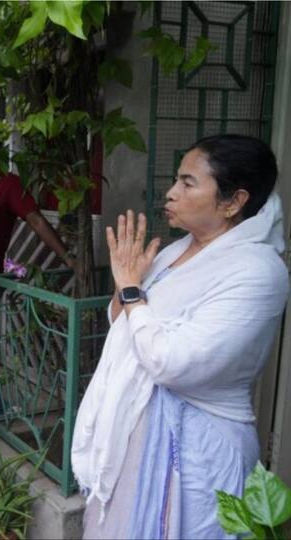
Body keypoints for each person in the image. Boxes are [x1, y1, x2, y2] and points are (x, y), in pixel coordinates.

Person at [73, 134, 290, 539]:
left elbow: (172, 362)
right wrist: (128, 283)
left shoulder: (257, 271)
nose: (171, 193)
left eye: (188, 183)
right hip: (134, 439)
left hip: (197, 451)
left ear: (233, 202)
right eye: (176, 180)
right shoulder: (176, 251)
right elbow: (122, 321)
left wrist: (132, 287)